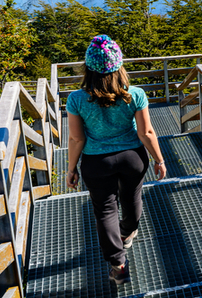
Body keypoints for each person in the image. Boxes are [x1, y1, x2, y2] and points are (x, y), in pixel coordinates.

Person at [65, 34, 167, 285]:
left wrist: (71, 169)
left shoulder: (77, 99)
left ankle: (118, 263)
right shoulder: (135, 94)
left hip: (97, 162)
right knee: (132, 197)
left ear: (89, 68)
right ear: (119, 65)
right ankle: (127, 232)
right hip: (133, 157)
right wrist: (159, 160)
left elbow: (76, 139)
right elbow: (146, 133)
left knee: (105, 210)